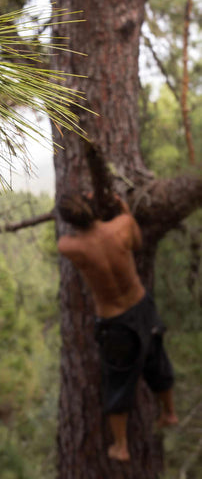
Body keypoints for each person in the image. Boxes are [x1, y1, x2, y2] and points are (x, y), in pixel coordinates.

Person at [57, 191, 178, 462]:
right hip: (142, 307)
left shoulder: (72, 246)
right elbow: (136, 242)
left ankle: (121, 446)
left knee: (119, 379)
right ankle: (169, 413)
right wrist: (124, 211)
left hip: (116, 323)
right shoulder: (122, 226)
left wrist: (77, 213)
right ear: (93, 206)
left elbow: (65, 240)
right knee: (156, 359)